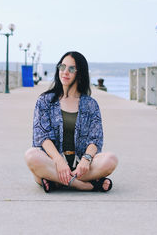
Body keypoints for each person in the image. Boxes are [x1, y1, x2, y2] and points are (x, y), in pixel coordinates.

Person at [25, 51, 118, 192]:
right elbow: (42, 136)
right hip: (52, 163)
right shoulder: (45, 101)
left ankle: (57, 181)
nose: (65, 72)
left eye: (71, 69)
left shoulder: (90, 104)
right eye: (62, 67)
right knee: (31, 156)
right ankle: (79, 184)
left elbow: (95, 139)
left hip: (82, 167)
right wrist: (58, 160)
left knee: (111, 159)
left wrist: (86, 160)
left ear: (80, 74)